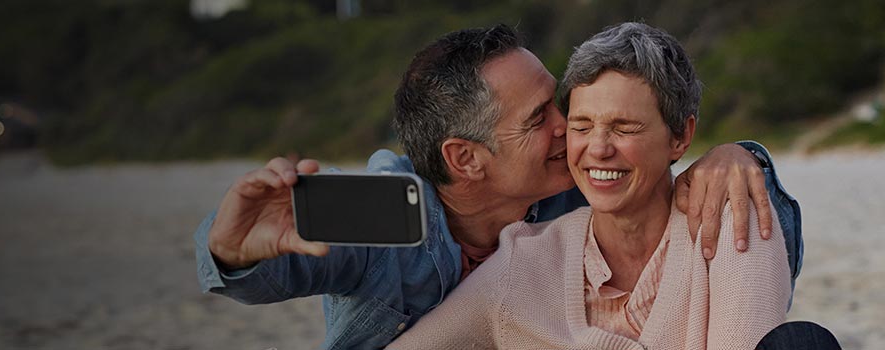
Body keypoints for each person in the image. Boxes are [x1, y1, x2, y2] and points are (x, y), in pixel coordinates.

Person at [193, 24, 804, 350]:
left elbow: (752, 265)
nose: (574, 135)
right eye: (544, 119)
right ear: (466, 158)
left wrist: (742, 157)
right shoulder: (386, 219)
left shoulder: (568, 188)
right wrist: (227, 252)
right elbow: (281, 262)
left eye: (560, 106)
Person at [387, 22, 824, 349]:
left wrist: (739, 152)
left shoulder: (729, 224)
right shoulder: (527, 260)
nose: (597, 149)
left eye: (624, 127)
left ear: (680, 137)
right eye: (581, 125)